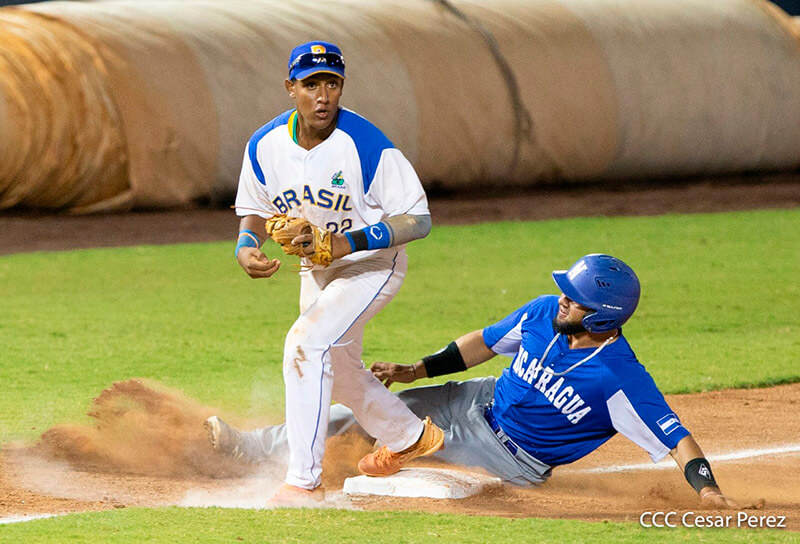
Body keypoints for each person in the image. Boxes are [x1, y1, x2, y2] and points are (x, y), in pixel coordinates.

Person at [208, 254, 737, 508]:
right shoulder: (541, 314)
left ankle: (298, 463)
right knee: (369, 412)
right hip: (475, 398)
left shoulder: (621, 377)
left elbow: (677, 438)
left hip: (509, 457)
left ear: (601, 318)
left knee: (391, 457)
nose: (562, 300)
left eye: (574, 300)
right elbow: (480, 345)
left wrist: (707, 490)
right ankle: (250, 447)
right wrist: (414, 370)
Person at [219, 40, 444, 506]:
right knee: (337, 371)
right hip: (315, 271)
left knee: (305, 345)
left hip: (371, 266)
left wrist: (346, 243)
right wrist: (245, 246)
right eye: (311, 84)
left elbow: (417, 219)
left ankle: (303, 482)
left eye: (332, 83)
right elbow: (255, 210)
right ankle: (409, 437)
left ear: (342, 87)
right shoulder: (264, 144)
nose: (323, 95)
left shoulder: (367, 145)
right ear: (290, 88)